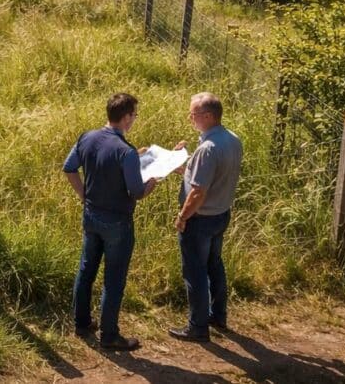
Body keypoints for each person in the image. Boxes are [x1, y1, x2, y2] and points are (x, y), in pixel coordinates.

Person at [63, 93, 158, 351]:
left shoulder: (87, 137)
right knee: (114, 279)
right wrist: (152, 183)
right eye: (134, 115)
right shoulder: (125, 152)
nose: (134, 119)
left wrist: (83, 194)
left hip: (91, 216)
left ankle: (82, 323)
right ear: (126, 117)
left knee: (86, 270)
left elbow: (69, 167)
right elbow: (136, 192)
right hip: (117, 223)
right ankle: (109, 335)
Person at [168, 92, 243, 342]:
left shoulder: (208, 149)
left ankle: (198, 326)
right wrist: (185, 165)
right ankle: (218, 315)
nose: (190, 118)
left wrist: (182, 217)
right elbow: (207, 176)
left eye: (194, 114)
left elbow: (198, 191)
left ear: (208, 116)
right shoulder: (232, 139)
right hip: (221, 214)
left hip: (200, 219)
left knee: (195, 272)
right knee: (214, 264)